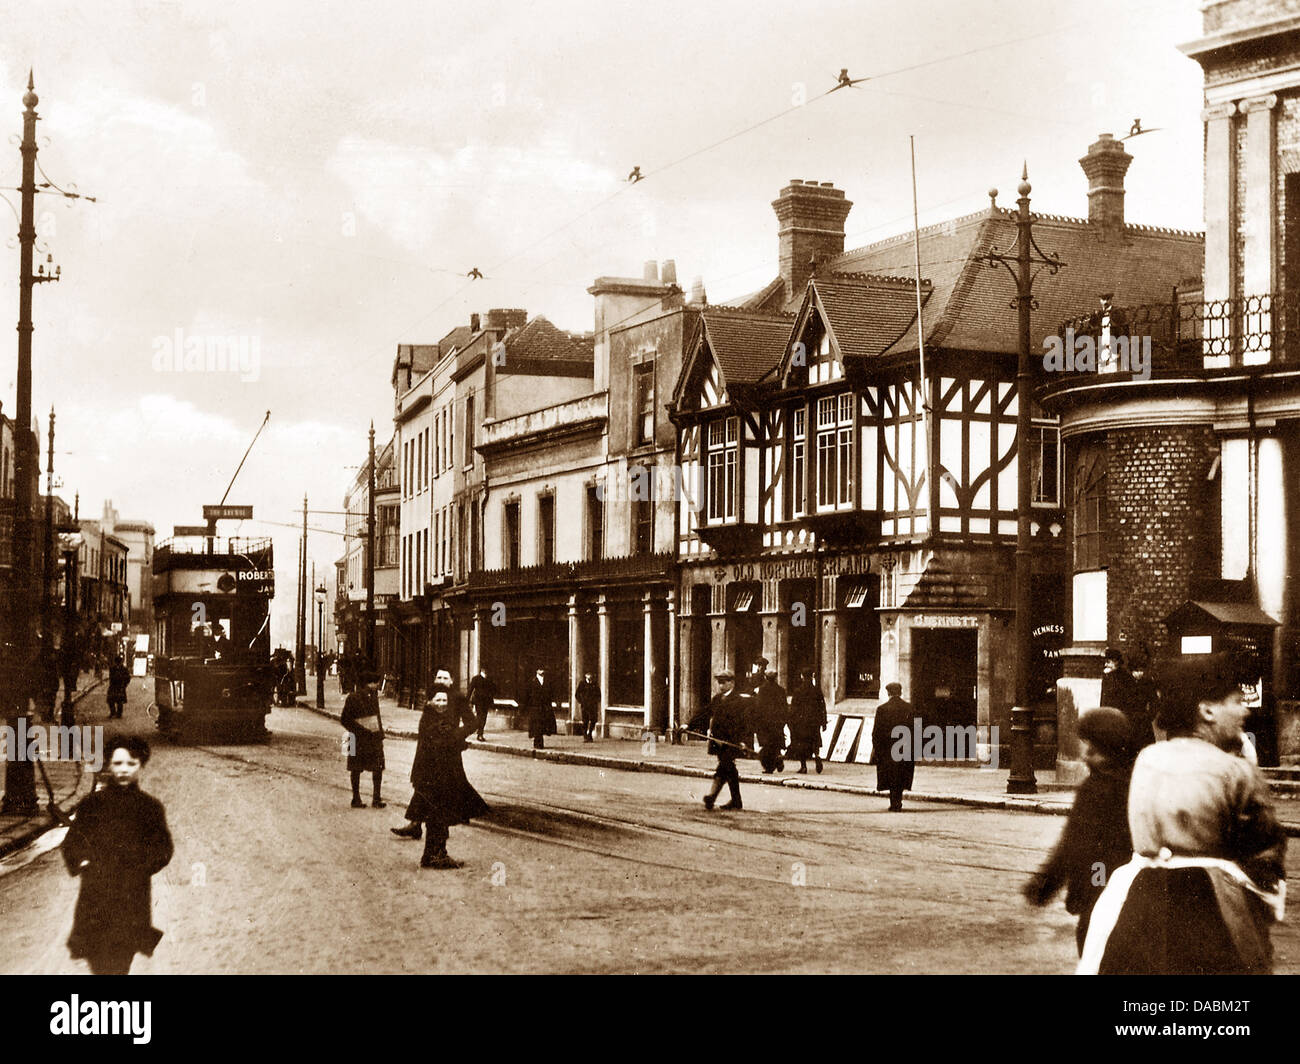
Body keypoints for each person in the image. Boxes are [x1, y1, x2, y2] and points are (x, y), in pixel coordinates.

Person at [1078, 654, 1287, 974]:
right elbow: (1264, 851)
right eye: (1235, 701)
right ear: (1207, 711)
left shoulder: (1147, 759)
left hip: (1137, 901)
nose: (1244, 710)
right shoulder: (1235, 771)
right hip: (1214, 908)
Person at [1023, 707, 1135, 954]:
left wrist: (1046, 884)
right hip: (1132, 892)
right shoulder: (1135, 781)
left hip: (1099, 886)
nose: (1085, 750)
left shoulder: (1096, 789)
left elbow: (1074, 843)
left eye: (1088, 743)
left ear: (1098, 747)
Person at [62, 736, 173, 975]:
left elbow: (163, 847)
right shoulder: (92, 804)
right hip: (95, 899)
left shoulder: (150, 808)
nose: (124, 770)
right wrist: (84, 862)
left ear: (140, 766)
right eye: (118, 763)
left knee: (120, 964)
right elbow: (73, 842)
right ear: (109, 765)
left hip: (130, 900)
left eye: (131, 764)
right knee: (99, 963)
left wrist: (141, 867)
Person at [391, 668, 489, 868]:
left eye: (445, 678)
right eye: (439, 678)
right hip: (436, 764)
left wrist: (457, 736)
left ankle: (431, 850)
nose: (442, 681)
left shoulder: (454, 700)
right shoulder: (431, 711)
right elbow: (434, 738)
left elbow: (471, 723)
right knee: (437, 809)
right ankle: (434, 853)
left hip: (446, 762)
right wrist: (453, 739)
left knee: (438, 808)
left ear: (452, 680)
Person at [688, 671, 747, 811]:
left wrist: (743, 741)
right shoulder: (717, 699)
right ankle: (736, 801)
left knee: (724, 766)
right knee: (730, 769)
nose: (721, 685)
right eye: (719, 682)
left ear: (731, 682)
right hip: (718, 741)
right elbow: (704, 713)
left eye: (724, 682)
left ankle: (712, 796)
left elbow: (744, 723)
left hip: (732, 741)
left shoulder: (738, 701)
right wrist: (689, 725)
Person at [341, 666, 385, 808]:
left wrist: (379, 733)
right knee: (364, 768)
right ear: (369, 683)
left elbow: (376, 717)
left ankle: (364, 798)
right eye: (376, 683)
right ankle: (365, 799)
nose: (378, 685)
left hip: (365, 737)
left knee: (364, 768)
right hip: (359, 737)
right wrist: (362, 730)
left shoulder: (372, 696)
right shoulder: (354, 697)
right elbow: (345, 719)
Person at [871, 682, 917, 811]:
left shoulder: (882, 709)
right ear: (900, 692)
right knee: (901, 774)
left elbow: (876, 732)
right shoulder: (909, 708)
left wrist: (877, 748)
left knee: (891, 775)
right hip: (905, 747)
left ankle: (894, 802)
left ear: (888, 693)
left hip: (888, 749)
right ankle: (898, 801)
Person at [786, 667, 826, 774]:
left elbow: (794, 708)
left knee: (802, 744)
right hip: (814, 721)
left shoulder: (798, 691)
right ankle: (817, 757)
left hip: (802, 722)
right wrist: (824, 722)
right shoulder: (817, 690)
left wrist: (791, 721)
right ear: (811, 676)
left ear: (802, 677)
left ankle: (803, 766)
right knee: (815, 740)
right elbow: (822, 706)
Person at [753, 668, 788, 773]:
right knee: (776, 743)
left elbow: (758, 706)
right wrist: (783, 721)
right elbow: (784, 707)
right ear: (775, 678)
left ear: (765, 677)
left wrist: (757, 721)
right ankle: (778, 758)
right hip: (777, 722)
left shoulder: (762, 690)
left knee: (767, 745)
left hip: (765, 723)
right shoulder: (781, 690)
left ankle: (770, 767)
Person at [522, 667, 557, 750]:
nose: (542, 671)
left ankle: (539, 741)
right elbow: (527, 695)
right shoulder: (532, 682)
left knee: (542, 725)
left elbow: (551, 693)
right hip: (535, 707)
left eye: (543, 669)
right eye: (540, 669)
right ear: (536, 671)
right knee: (537, 725)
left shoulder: (548, 682)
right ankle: (538, 742)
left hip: (545, 707)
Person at [467, 665, 496, 742]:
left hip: (486, 702)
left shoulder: (489, 679)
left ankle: (479, 732)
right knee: (480, 716)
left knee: (483, 717)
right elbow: (470, 690)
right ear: (481, 670)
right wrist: (466, 701)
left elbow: (492, 691)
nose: (486, 672)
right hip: (478, 701)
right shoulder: (476, 678)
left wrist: (492, 702)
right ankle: (479, 734)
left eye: (487, 670)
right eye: (484, 670)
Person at [576, 671, 601, 742]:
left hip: (593, 706)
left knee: (593, 720)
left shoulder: (595, 684)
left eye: (590, 675)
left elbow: (598, 694)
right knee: (585, 721)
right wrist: (581, 701)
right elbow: (577, 694)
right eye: (588, 675)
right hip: (585, 706)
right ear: (585, 676)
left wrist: (596, 701)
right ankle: (585, 736)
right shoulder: (582, 683)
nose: (589, 676)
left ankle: (589, 733)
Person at [106, 655, 130, 720]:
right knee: (111, 700)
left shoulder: (124, 669)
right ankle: (113, 712)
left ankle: (119, 713)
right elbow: (111, 677)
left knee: (119, 701)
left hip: (120, 686)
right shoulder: (112, 668)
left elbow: (128, 678)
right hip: (113, 686)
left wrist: (124, 685)